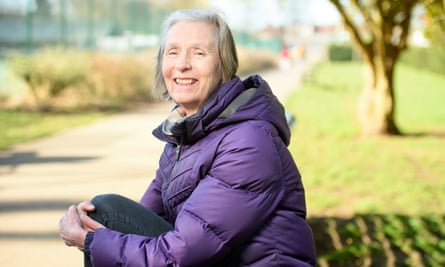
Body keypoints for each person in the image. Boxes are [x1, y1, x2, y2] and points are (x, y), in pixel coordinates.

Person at [58, 9, 317, 267]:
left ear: (224, 66)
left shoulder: (248, 142)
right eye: (172, 52)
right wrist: (93, 222)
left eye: (199, 53)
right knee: (104, 213)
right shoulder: (186, 135)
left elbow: (178, 255)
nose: (182, 64)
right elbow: (140, 220)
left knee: (106, 225)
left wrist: (92, 241)